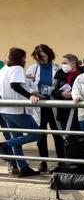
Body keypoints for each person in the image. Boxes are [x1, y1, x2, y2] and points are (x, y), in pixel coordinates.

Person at [0, 48, 42, 177]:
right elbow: (14, 85)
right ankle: (4, 145)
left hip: (5, 109)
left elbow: (13, 86)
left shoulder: (4, 70)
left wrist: (30, 91)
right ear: (20, 58)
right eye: (24, 57)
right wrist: (30, 96)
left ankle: (23, 168)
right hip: (17, 110)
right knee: (37, 134)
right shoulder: (17, 68)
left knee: (16, 137)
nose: (25, 60)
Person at [26, 44, 63, 173]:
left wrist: (50, 90)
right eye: (38, 57)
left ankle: (61, 162)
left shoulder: (57, 68)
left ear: (49, 54)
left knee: (57, 134)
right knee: (41, 135)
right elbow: (27, 85)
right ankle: (43, 161)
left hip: (53, 104)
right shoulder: (32, 68)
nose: (40, 59)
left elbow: (59, 86)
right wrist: (33, 92)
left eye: (42, 56)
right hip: (39, 105)